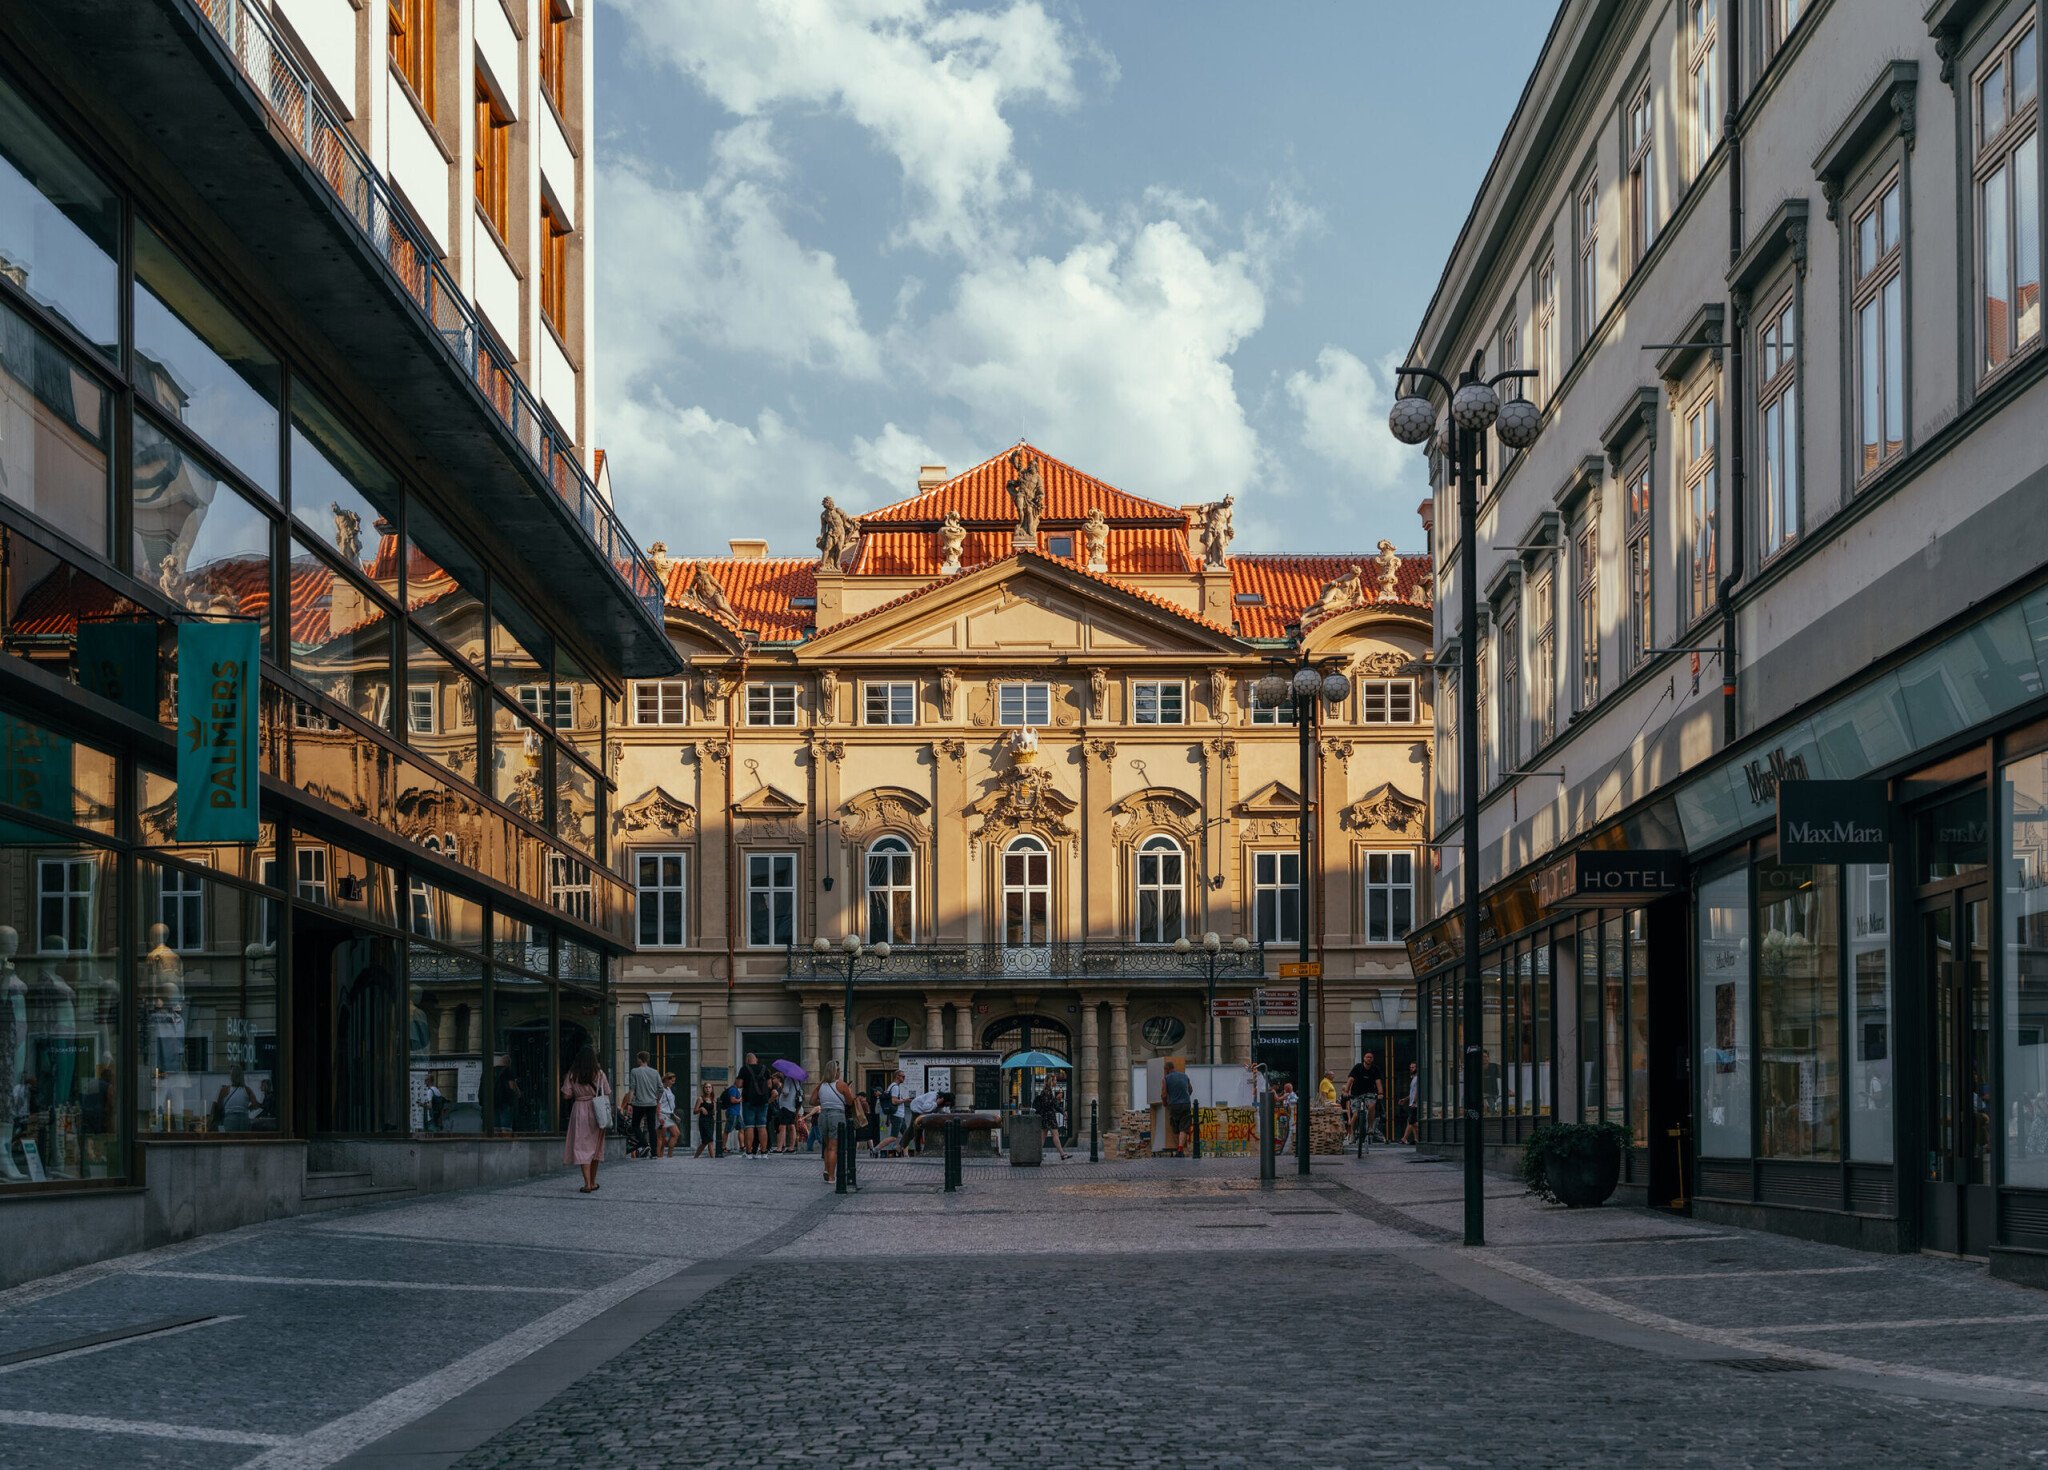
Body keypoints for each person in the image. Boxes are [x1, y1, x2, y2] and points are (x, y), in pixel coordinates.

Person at [560, 1043, 609, 1193]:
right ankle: (593, 1182)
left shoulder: (572, 1074)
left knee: (582, 1146)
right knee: (595, 1147)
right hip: (597, 1110)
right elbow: (607, 1091)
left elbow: (566, 1095)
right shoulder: (599, 1073)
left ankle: (587, 1183)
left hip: (579, 1109)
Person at [815, 1061, 856, 1183]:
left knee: (827, 1146)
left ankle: (827, 1170)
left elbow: (812, 1101)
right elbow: (850, 1102)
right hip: (836, 1115)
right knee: (834, 1148)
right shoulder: (842, 1085)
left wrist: (825, 1101)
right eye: (838, 1070)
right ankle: (832, 1177)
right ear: (836, 1071)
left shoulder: (820, 1085)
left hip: (823, 1115)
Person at [626, 1050, 663, 1160]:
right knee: (652, 1128)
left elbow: (632, 1088)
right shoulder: (655, 1072)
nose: (636, 1060)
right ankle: (654, 1153)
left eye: (637, 1058)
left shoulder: (634, 1071)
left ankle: (645, 1144)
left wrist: (629, 1103)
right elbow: (661, 1089)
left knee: (635, 1125)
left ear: (640, 1059)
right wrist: (657, 1099)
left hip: (639, 1103)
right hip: (652, 1103)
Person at [738, 1052, 773, 1159]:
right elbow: (769, 1085)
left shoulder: (744, 1069)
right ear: (756, 1059)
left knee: (749, 1127)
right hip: (763, 1101)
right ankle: (764, 1152)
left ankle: (749, 1153)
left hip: (749, 1101)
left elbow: (739, 1084)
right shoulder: (764, 1068)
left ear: (747, 1060)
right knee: (762, 1126)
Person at [1348, 1050, 1384, 1144]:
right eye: (1367, 1057)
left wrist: (1380, 1092)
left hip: (1369, 1093)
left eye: (1370, 1057)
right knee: (1355, 1114)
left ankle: (1370, 1127)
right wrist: (1346, 1091)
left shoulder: (1375, 1069)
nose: (1369, 1059)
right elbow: (1351, 1079)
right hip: (1356, 1093)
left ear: (1372, 1059)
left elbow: (1378, 1082)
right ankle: (1351, 1134)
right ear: (1364, 1058)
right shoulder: (1358, 1067)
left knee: (1372, 1105)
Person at [1160, 1059, 1194, 1157]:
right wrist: (1184, 1096)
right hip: (1186, 1104)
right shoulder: (1185, 1076)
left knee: (1176, 1128)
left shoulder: (1165, 1079)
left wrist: (1165, 1103)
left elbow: (1163, 1094)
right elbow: (1190, 1090)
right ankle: (1180, 1149)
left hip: (1174, 1105)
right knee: (1184, 1127)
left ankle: (1179, 1149)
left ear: (1167, 1069)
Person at [1035, 1078, 1069, 1160]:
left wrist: (1061, 1110)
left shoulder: (1048, 1091)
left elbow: (1052, 1105)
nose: (1056, 1082)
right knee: (1055, 1135)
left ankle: (1037, 1154)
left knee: (1043, 1136)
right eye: (1055, 1080)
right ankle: (1062, 1154)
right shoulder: (1047, 1092)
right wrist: (1056, 1101)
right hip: (1049, 1117)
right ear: (1051, 1081)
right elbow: (1050, 1105)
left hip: (1046, 1116)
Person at [214, 1066, 255, 1134]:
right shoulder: (247, 1090)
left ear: (231, 1076)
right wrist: (247, 1108)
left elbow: (219, 1107)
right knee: (244, 1142)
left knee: (230, 1141)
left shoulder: (225, 1090)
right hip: (244, 1119)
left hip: (230, 1119)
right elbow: (255, 1104)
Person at [771, 1073, 799, 1153]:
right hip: (792, 1106)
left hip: (786, 1106)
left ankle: (779, 1148)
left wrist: (782, 1089)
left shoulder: (788, 1080)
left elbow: (786, 1092)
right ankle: (791, 1147)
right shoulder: (796, 1080)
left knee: (782, 1126)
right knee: (791, 1126)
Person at [885, 1069, 913, 1147]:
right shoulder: (895, 1087)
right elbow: (894, 1101)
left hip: (899, 1115)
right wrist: (905, 1100)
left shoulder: (893, 1086)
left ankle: (905, 1154)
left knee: (906, 1135)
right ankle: (876, 1149)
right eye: (903, 1076)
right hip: (897, 1115)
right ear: (897, 1076)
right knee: (893, 1137)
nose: (904, 1078)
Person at [691, 1080, 718, 1158]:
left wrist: (715, 1108)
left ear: (712, 1089)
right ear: (703, 1089)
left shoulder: (713, 1099)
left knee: (705, 1141)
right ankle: (713, 1158)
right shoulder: (700, 1099)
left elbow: (714, 1112)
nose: (708, 1089)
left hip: (711, 1121)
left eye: (709, 1087)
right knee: (710, 1140)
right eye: (706, 1087)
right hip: (703, 1121)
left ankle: (695, 1157)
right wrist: (701, 1108)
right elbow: (694, 1111)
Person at [657, 1072, 681, 1158]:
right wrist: (659, 1116)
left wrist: (674, 1115)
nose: (673, 1083)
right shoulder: (661, 1090)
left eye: (674, 1081)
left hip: (668, 1115)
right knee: (661, 1137)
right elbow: (658, 1103)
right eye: (672, 1081)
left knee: (676, 1134)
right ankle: (658, 1156)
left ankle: (669, 1155)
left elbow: (669, 1104)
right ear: (666, 1080)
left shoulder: (668, 1089)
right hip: (662, 1115)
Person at [1401, 1062, 1420, 1145]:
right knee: (1410, 1121)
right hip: (1412, 1103)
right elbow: (1412, 1093)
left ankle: (1418, 1138)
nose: (1411, 1069)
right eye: (1410, 1067)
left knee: (1412, 1122)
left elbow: (1418, 1091)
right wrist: (1405, 1099)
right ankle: (1412, 1139)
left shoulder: (1418, 1078)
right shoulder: (1413, 1078)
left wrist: (1415, 1102)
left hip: (1415, 1104)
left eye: (1413, 1067)